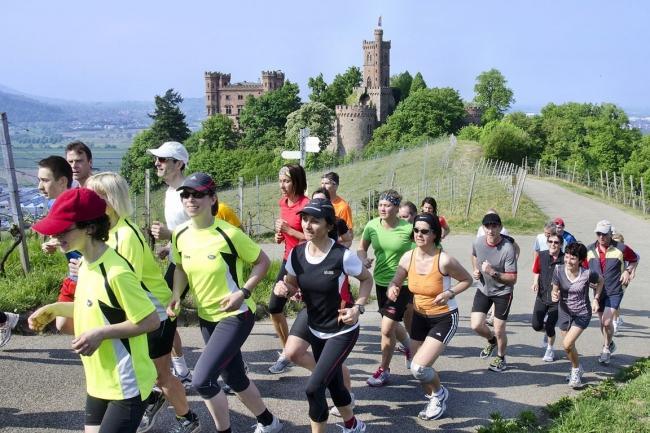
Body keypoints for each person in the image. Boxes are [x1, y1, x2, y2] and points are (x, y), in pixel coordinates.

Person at [29, 188, 160, 433]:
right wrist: (54, 308)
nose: (57, 237)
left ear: (89, 228)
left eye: (63, 230)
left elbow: (151, 321)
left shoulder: (117, 272)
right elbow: (95, 307)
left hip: (127, 384)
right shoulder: (85, 265)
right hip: (99, 380)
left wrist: (99, 334)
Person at [168, 172, 283, 433]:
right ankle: (269, 422)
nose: (190, 199)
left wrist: (243, 292)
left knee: (202, 379)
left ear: (212, 198)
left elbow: (262, 262)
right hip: (207, 317)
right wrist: (176, 295)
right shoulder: (180, 234)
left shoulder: (229, 233)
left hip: (236, 315)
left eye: (198, 194)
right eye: (186, 194)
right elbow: (180, 268)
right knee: (234, 377)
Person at [85, 173, 199, 433]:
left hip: (155, 312)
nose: (88, 200)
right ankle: (152, 398)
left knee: (160, 373)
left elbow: (129, 284)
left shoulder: (126, 234)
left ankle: (187, 418)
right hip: (141, 312)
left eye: (94, 196)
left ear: (110, 199)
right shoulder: (110, 232)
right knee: (144, 370)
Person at [274, 198, 372, 433]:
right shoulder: (296, 254)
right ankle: (353, 424)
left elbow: (366, 279)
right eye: (305, 219)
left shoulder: (342, 256)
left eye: (314, 221)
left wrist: (358, 307)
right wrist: (286, 289)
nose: (307, 225)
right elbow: (291, 282)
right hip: (315, 324)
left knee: (314, 387)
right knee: (335, 381)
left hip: (341, 328)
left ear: (329, 226)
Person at [387, 213, 472, 420]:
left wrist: (449, 293)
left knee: (419, 367)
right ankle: (435, 395)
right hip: (419, 316)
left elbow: (467, 280)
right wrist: (393, 288)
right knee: (416, 367)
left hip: (444, 317)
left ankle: (439, 395)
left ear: (435, 234)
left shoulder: (444, 260)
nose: (419, 234)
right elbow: (396, 280)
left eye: (424, 231)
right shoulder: (409, 256)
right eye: (416, 230)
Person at [147, 141, 193, 387]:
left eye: (163, 159)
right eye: (157, 159)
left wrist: (170, 236)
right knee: (167, 312)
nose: (157, 163)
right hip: (180, 262)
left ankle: (167, 376)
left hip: (196, 266)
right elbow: (184, 231)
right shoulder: (169, 192)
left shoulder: (188, 192)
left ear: (179, 163)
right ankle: (179, 372)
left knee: (167, 313)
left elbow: (202, 231)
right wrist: (170, 246)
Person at [359, 189, 413, 386]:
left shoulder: (408, 229)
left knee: (386, 327)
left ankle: (384, 369)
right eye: (381, 204)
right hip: (381, 282)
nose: (382, 208)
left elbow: (422, 252)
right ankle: (409, 347)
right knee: (390, 323)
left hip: (402, 284)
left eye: (387, 205)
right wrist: (363, 259)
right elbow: (361, 248)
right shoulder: (371, 226)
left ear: (397, 208)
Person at [268, 164, 310, 374]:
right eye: (280, 180)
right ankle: (287, 352)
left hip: (307, 263)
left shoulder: (306, 204)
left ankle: (308, 353)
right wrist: (280, 236)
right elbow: (287, 236)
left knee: (311, 308)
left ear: (297, 182)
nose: (282, 185)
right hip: (288, 261)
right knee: (274, 307)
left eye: (286, 181)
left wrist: (288, 230)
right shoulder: (283, 203)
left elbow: (313, 238)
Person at [551, 242, 603, 388]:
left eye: (573, 258)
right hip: (564, 312)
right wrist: (554, 295)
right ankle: (578, 368)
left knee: (566, 344)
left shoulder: (587, 274)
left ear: (580, 260)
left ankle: (575, 371)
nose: (568, 261)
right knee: (569, 346)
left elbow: (601, 281)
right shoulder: (558, 270)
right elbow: (554, 289)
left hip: (582, 313)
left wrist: (596, 299)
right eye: (566, 257)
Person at [470, 212, 517, 372]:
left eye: (494, 226)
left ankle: (501, 358)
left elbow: (512, 278)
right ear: (483, 228)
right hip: (484, 289)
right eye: (487, 227)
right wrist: (476, 269)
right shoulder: (478, 242)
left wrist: (492, 272)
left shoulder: (507, 249)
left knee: (498, 329)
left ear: (500, 227)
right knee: (476, 325)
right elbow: (474, 256)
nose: (491, 230)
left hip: (503, 292)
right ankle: (491, 341)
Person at [586, 220, 638, 365]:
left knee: (607, 321)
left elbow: (634, 259)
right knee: (603, 324)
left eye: (604, 234)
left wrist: (628, 271)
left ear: (610, 234)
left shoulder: (621, 248)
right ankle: (610, 343)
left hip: (615, 290)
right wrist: (587, 281)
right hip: (598, 291)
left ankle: (606, 348)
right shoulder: (589, 250)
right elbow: (583, 269)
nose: (601, 237)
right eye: (598, 234)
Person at [37, 155, 79, 333]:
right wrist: (53, 243)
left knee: (69, 324)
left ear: (62, 181)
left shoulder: (78, 205)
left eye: (45, 180)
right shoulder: (57, 205)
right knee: (63, 324)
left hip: (89, 274)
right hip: (73, 275)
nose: (40, 186)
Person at [531, 232, 564, 362]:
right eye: (550, 242)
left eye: (556, 242)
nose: (553, 244)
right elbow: (537, 270)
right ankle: (548, 333)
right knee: (536, 325)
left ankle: (550, 349)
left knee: (550, 325)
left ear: (561, 244)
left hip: (556, 299)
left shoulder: (564, 259)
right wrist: (535, 282)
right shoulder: (542, 255)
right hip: (542, 295)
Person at [610, 230, 638, 335]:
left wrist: (632, 271)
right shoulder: (611, 251)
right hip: (612, 279)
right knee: (614, 302)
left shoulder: (625, 251)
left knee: (615, 301)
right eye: (615, 242)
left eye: (619, 243)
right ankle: (617, 320)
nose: (617, 245)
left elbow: (637, 257)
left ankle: (615, 323)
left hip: (623, 279)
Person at [320, 172, 353, 236]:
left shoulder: (343, 207)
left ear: (336, 186)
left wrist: (331, 241)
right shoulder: (317, 202)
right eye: (322, 183)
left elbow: (350, 234)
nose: (323, 186)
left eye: (326, 183)